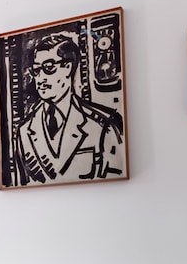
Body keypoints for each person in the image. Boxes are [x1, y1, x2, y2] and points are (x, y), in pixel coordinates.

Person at [14, 33, 124, 184]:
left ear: (68, 67)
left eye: (48, 68)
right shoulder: (24, 131)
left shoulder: (102, 124)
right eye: (36, 70)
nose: (40, 78)